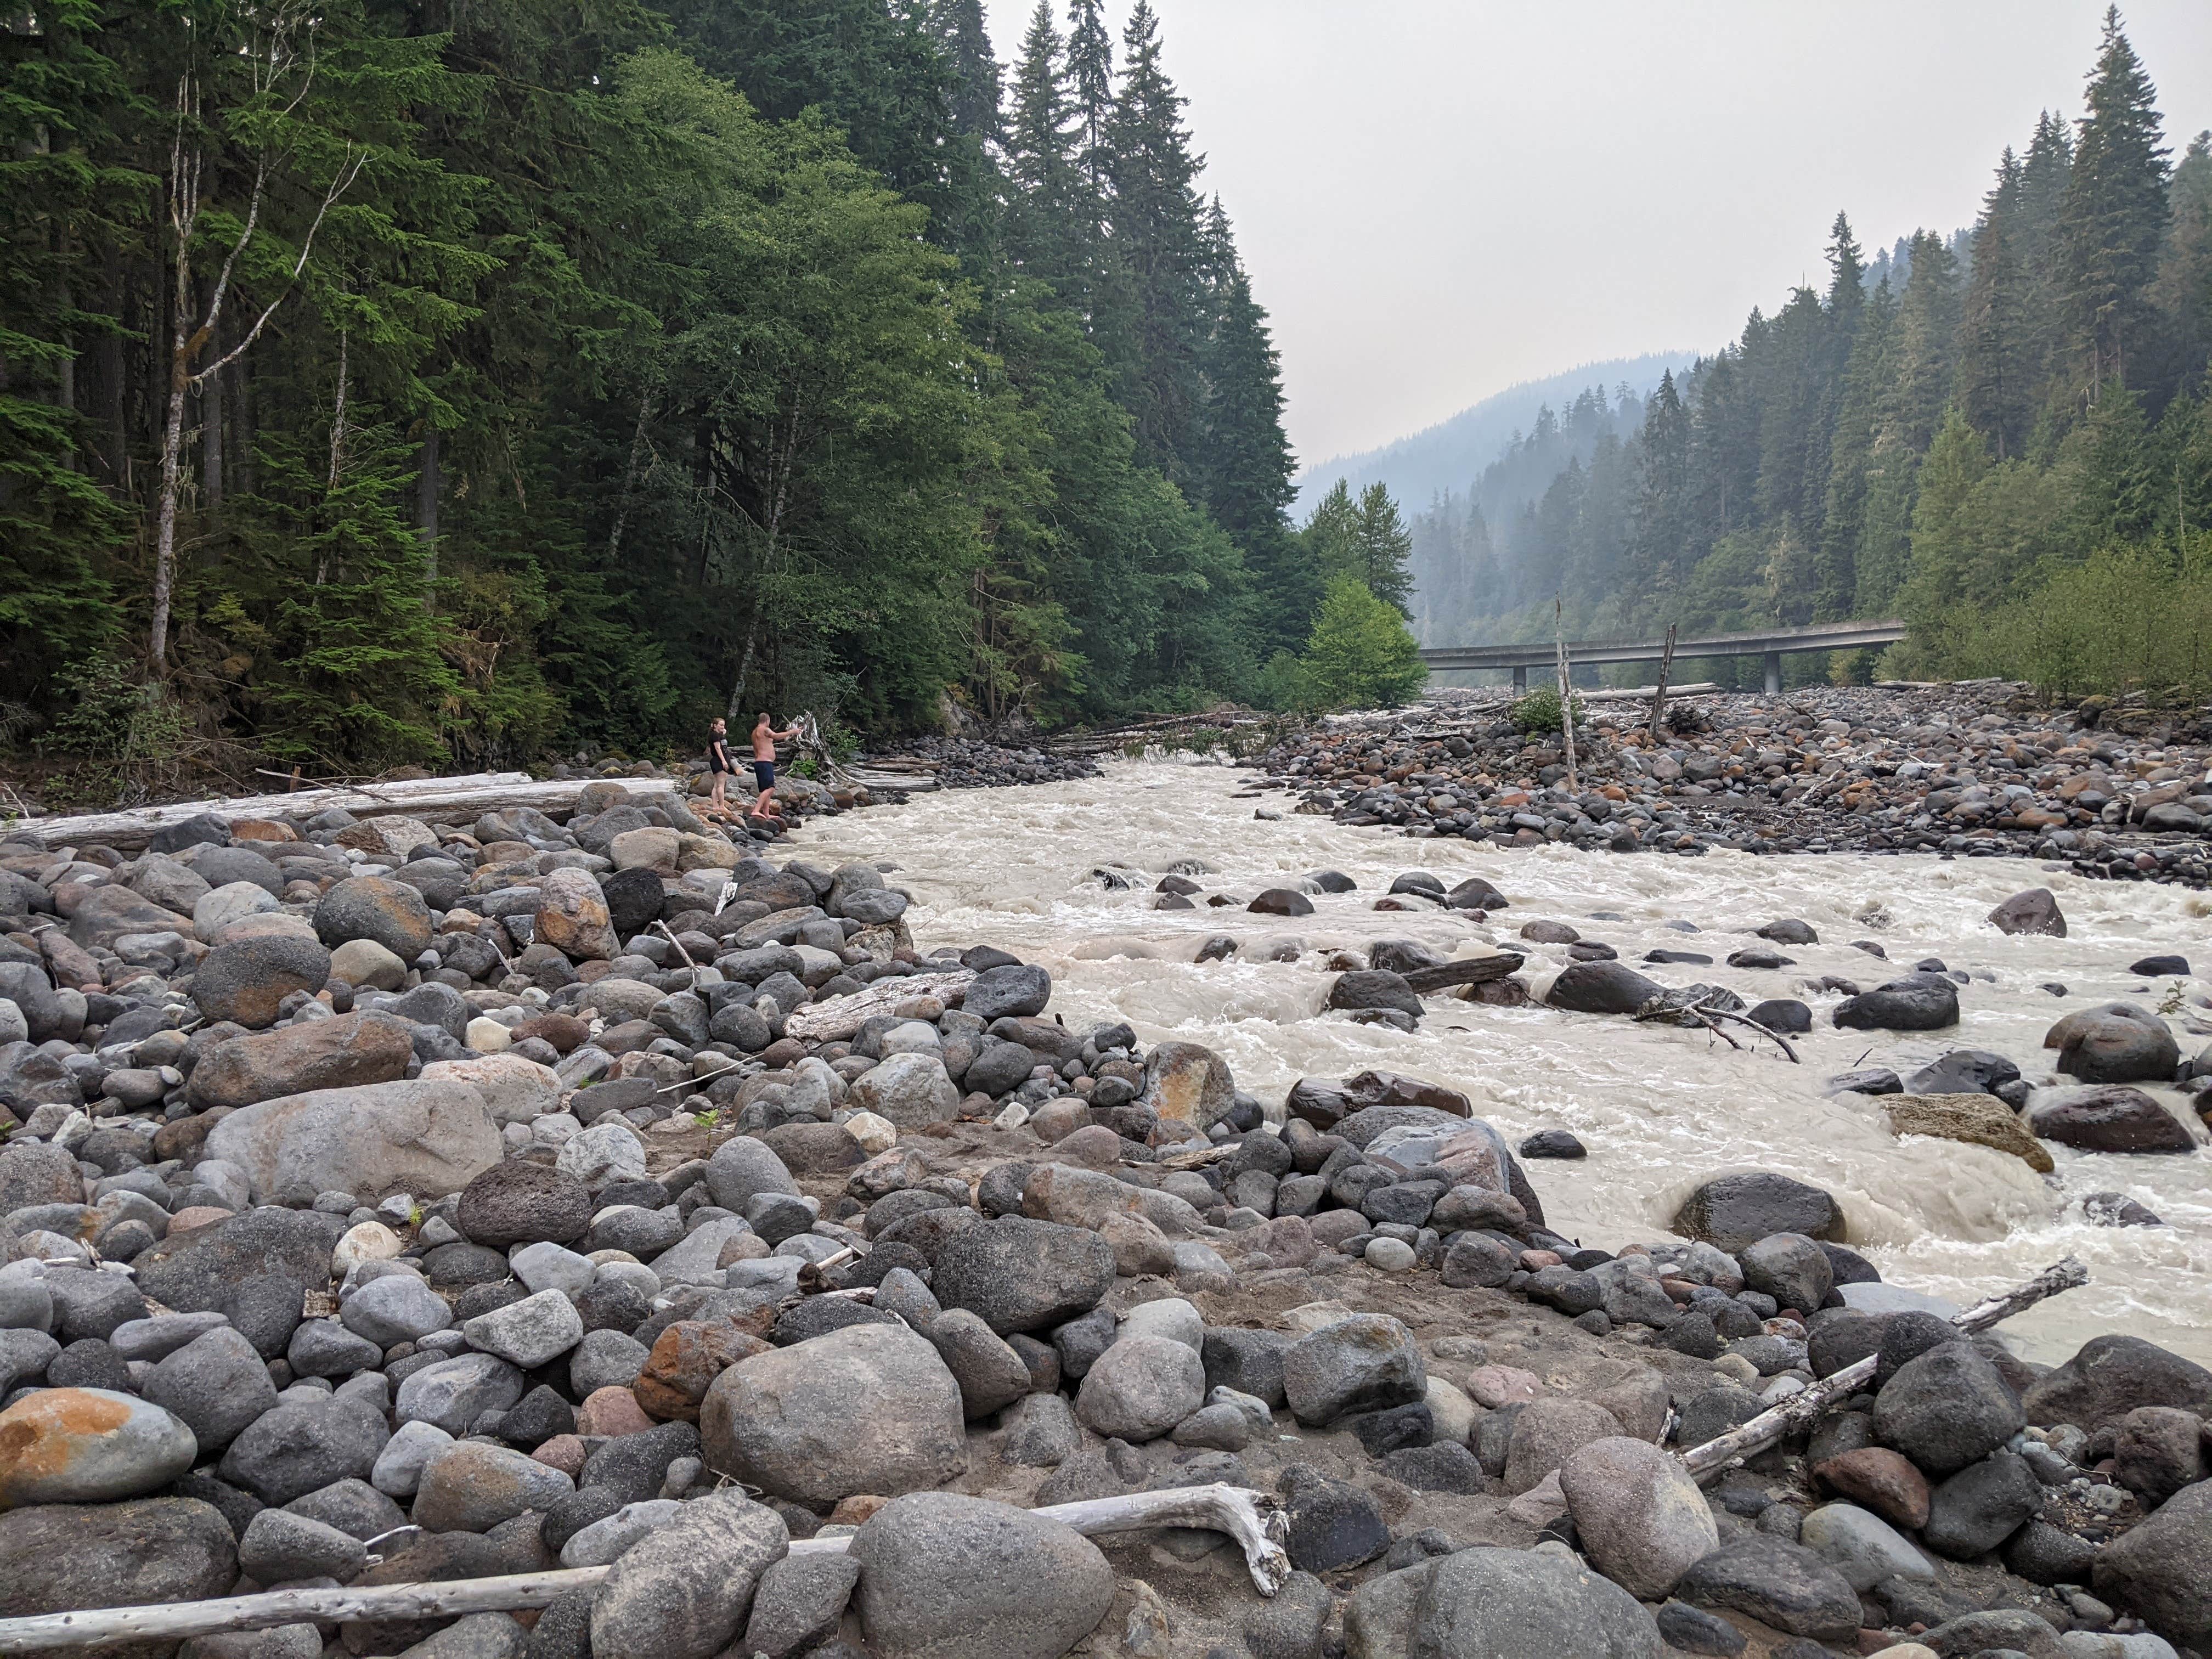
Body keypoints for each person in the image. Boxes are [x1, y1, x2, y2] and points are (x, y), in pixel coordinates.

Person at [751, 711, 799, 819]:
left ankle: (766, 813)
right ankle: (756, 810)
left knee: (765, 790)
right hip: (765, 763)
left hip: (759, 762)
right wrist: (792, 732)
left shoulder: (754, 732)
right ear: (767, 720)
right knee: (770, 788)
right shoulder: (765, 729)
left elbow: (755, 749)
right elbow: (776, 736)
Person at [706, 718, 737, 818]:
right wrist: (724, 761)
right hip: (719, 761)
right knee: (721, 785)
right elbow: (718, 748)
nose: (723, 727)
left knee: (716, 785)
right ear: (715, 725)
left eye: (724, 725)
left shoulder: (718, 735)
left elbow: (722, 744)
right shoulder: (714, 735)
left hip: (718, 761)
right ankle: (722, 806)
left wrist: (724, 734)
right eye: (721, 725)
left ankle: (715, 806)